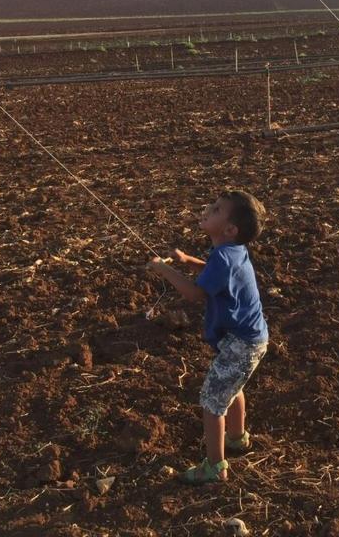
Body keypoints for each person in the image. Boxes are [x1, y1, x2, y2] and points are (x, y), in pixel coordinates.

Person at [147, 190, 269, 483]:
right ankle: (237, 438)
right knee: (232, 387)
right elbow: (212, 274)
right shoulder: (232, 252)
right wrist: (189, 260)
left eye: (216, 210)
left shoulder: (224, 258)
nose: (207, 209)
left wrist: (162, 269)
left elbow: (194, 293)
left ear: (230, 229)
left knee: (212, 403)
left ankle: (215, 467)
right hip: (250, 339)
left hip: (241, 344)